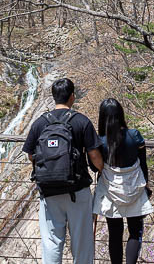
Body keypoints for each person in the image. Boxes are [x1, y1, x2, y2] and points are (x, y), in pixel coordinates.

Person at [23, 78, 104, 264]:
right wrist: (102, 169)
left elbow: (30, 155)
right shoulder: (81, 121)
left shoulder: (39, 123)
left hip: (49, 192)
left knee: (51, 242)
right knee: (82, 244)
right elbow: (94, 156)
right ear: (72, 97)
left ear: (53, 97)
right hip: (77, 190)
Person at [92, 98, 154, 264]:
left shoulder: (99, 141)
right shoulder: (134, 136)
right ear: (121, 114)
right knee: (135, 231)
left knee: (114, 233)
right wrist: (146, 185)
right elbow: (143, 163)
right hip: (135, 187)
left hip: (110, 190)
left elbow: (94, 168)